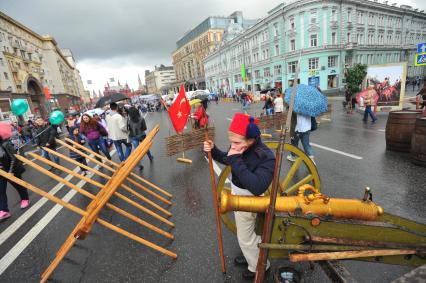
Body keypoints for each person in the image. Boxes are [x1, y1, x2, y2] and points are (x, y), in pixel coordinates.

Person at [203, 113, 275, 280]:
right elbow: (227, 158)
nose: (232, 146)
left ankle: (259, 267)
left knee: (246, 237)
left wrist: (235, 159)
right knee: (248, 234)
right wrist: (212, 150)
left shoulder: (266, 156)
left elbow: (257, 187)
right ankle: (252, 255)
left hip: (251, 199)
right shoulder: (239, 147)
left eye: (236, 142)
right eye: (231, 142)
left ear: (251, 140)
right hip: (237, 194)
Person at [0, 131, 29, 220]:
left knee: (18, 185)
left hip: (11, 169)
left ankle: (25, 199)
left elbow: (13, 158)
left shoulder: (5, 144)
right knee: (1, 190)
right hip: (1, 172)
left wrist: (11, 171)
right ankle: (4, 210)